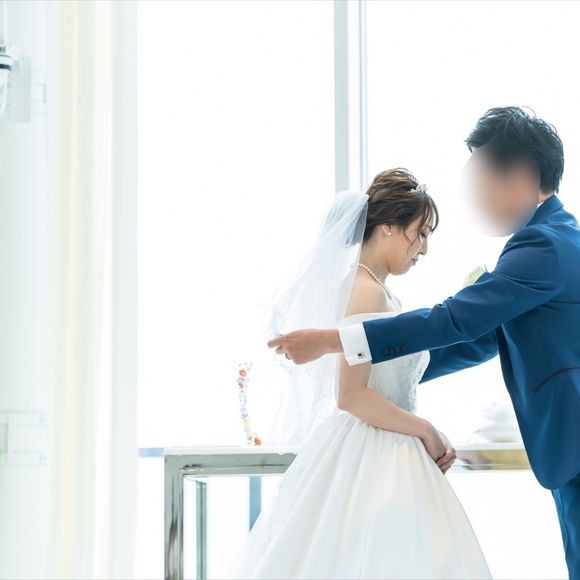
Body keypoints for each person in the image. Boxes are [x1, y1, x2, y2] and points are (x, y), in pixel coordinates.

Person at [268, 106, 580, 580]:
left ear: (520, 176)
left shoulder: (544, 245)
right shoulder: (550, 238)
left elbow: (456, 319)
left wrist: (332, 341)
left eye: (482, 183)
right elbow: (483, 338)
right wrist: (394, 374)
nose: (477, 198)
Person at [224, 169, 492, 579]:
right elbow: (351, 395)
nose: (424, 248)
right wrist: (426, 430)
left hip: (385, 446)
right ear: (388, 227)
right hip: (374, 452)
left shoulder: (376, 290)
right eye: (420, 233)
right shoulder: (365, 291)